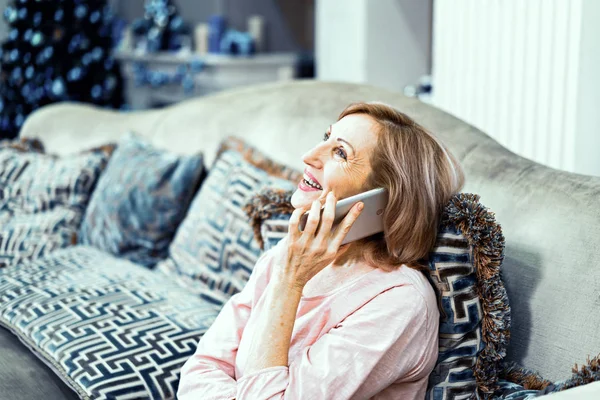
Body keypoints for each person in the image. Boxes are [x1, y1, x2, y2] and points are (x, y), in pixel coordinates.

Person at [177, 102, 465, 399]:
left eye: (340, 152)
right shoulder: (289, 253)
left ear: (383, 200)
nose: (308, 156)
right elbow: (202, 368)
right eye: (325, 137)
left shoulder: (400, 302)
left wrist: (290, 283)